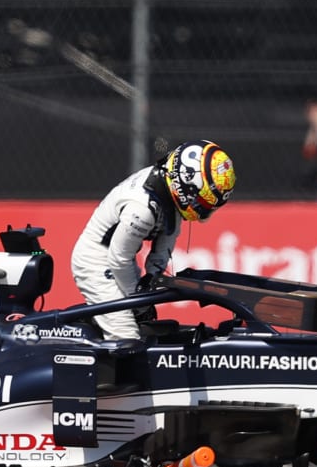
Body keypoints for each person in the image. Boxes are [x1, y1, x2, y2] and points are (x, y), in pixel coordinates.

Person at [71, 139, 236, 340]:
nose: (205, 208)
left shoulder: (169, 189)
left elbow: (165, 242)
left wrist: (151, 279)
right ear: (185, 183)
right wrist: (139, 302)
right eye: (203, 200)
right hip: (96, 260)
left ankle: (101, 321)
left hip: (121, 258)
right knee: (126, 336)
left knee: (146, 327)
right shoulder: (142, 209)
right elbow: (118, 259)